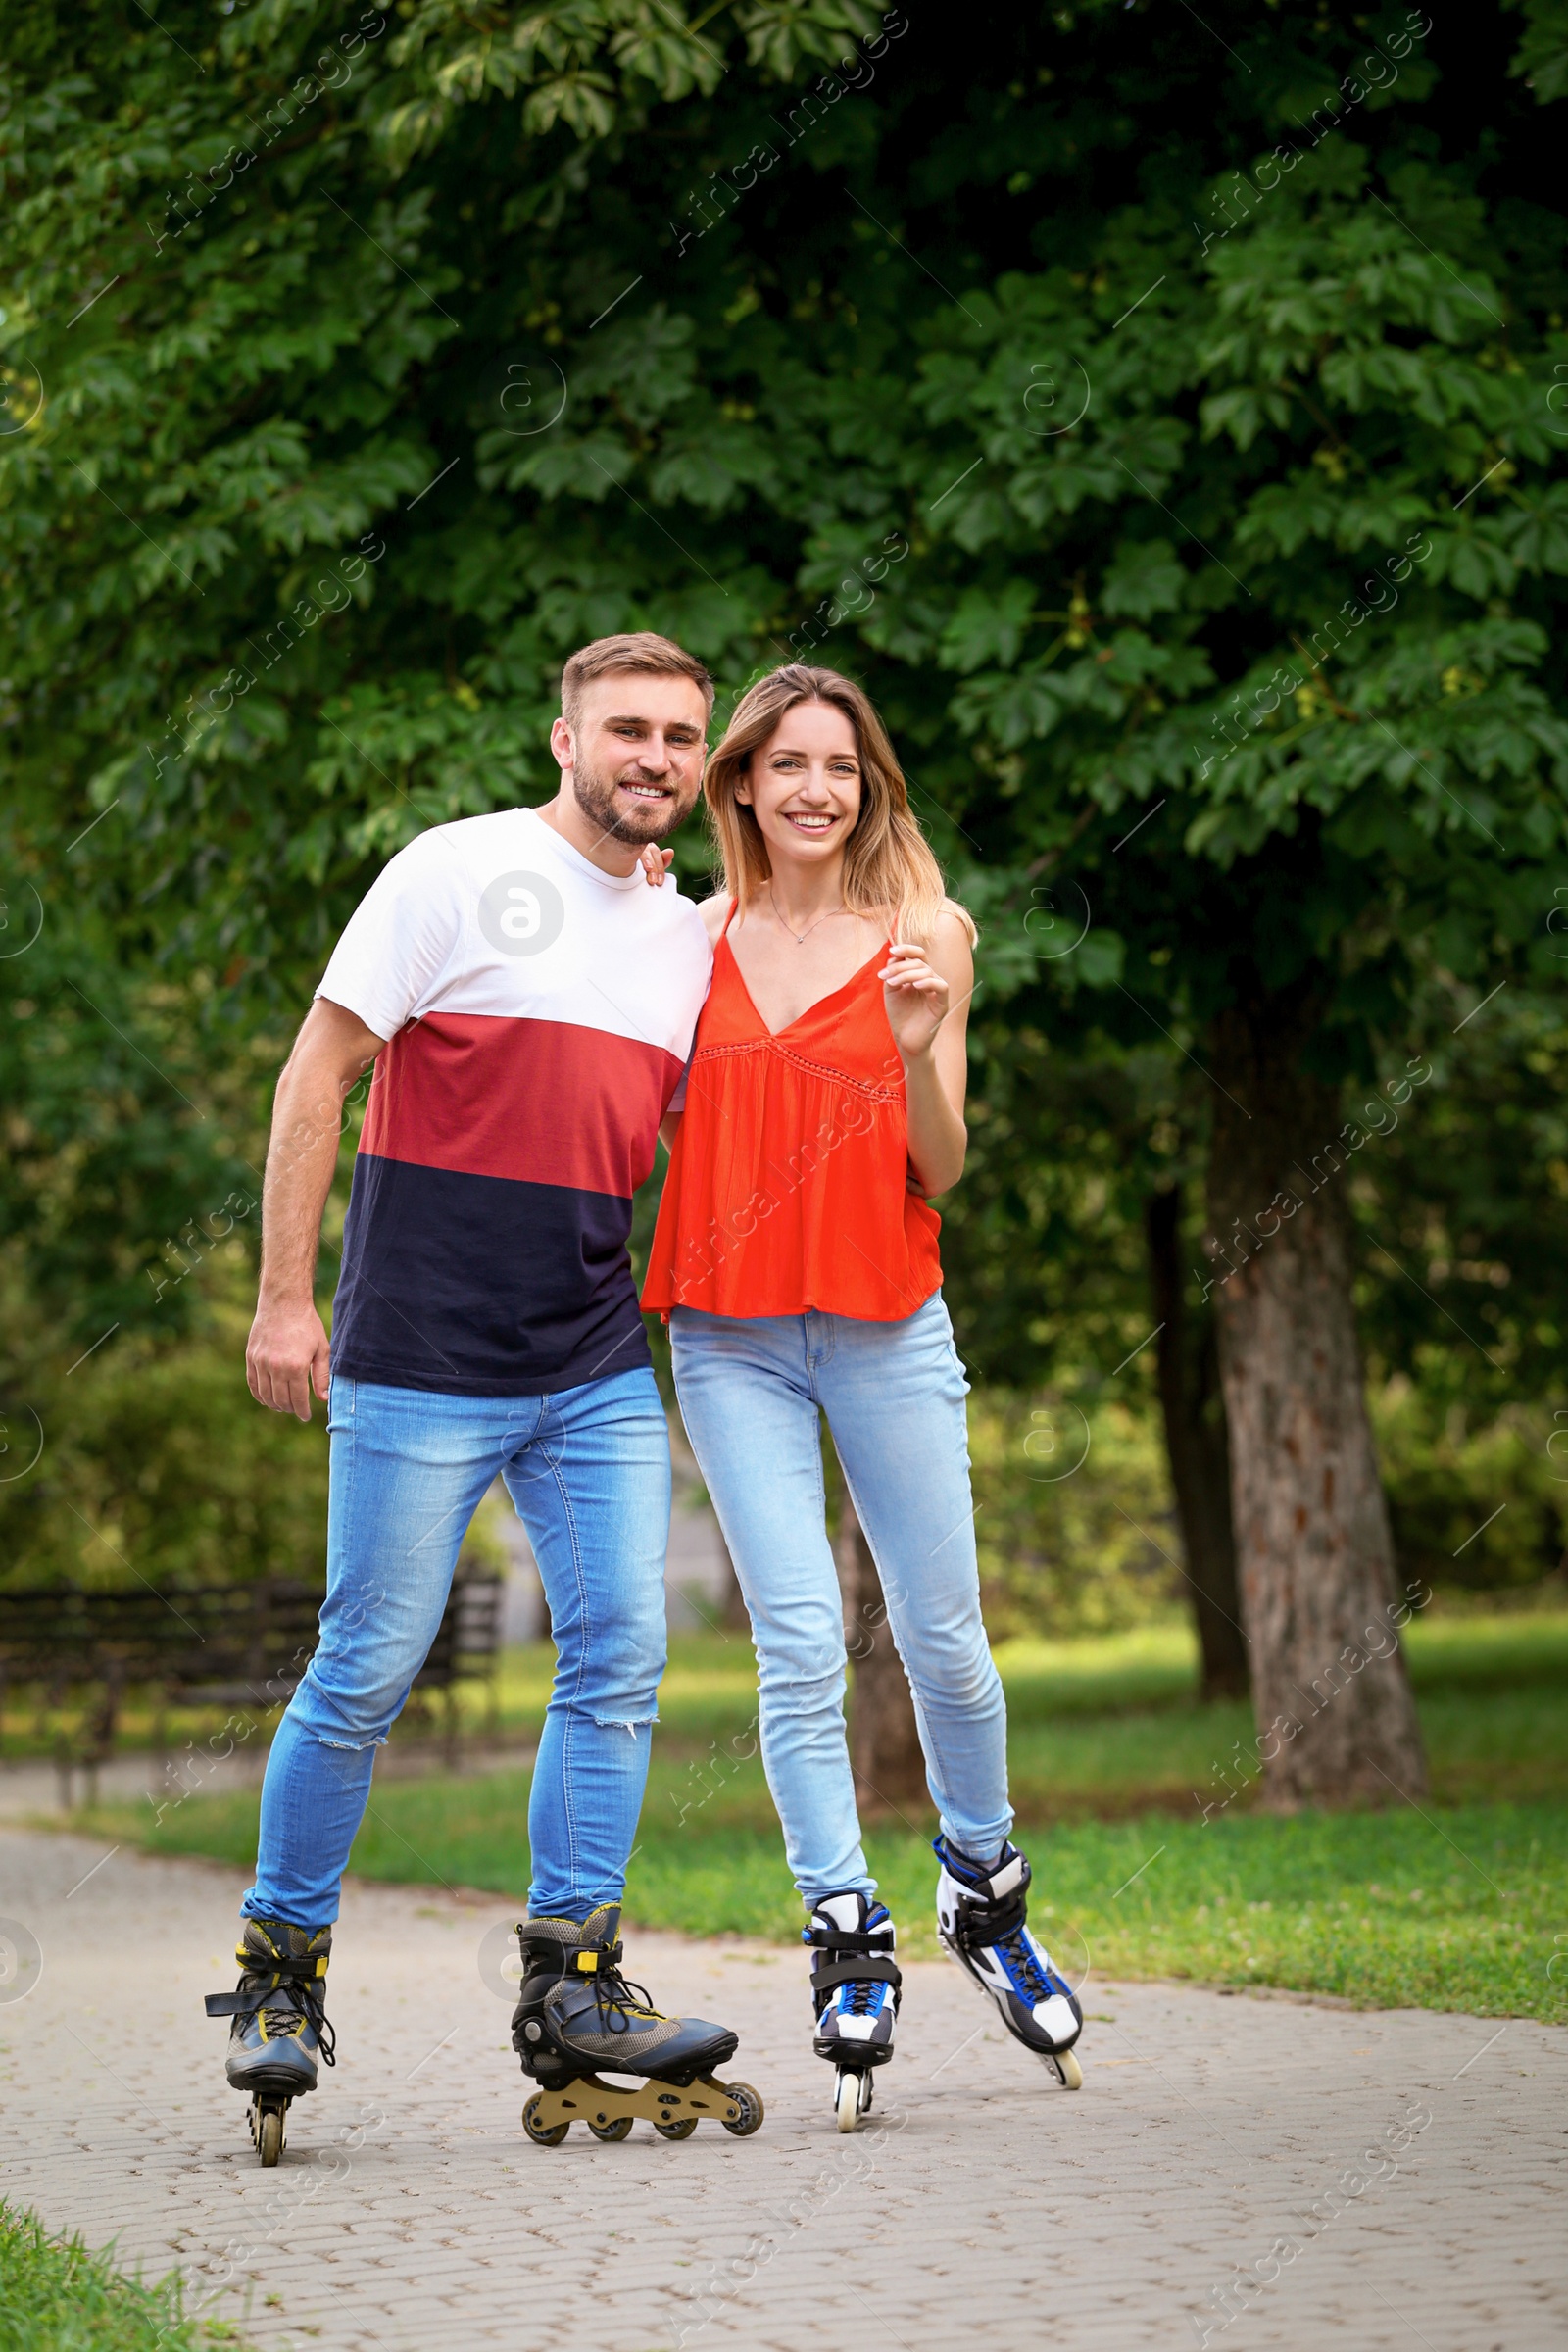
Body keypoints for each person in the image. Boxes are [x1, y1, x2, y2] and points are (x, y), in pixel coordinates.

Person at [208, 632, 752, 2162]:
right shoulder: (453, 873)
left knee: (621, 1657)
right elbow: (317, 1073)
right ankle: (278, 1973)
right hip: (418, 1356)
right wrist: (282, 1294)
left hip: (588, 1363)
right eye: (628, 728)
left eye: (682, 737)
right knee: (367, 1667)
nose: (656, 757)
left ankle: (575, 1985)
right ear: (562, 737)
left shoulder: (690, 944)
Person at [641, 662, 1084, 2129]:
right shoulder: (683, 940)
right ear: (743, 785)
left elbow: (941, 1167)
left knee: (945, 1642)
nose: (817, 789)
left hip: (888, 1322)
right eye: (790, 766)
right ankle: (847, 1933)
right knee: (798, 1645)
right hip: (729, 1336)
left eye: (844, 766)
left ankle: (983, 1889)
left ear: (868, 784)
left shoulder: (926, 935)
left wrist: (914, 1054)